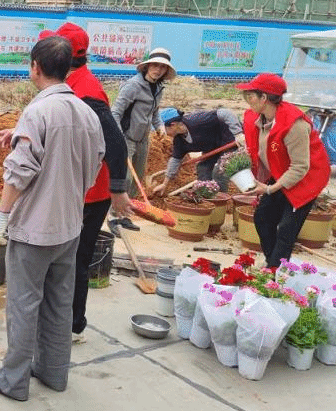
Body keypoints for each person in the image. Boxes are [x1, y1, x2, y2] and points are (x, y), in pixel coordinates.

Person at [0, 35, 104, 402]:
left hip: (34, 230)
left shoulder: (38, 112)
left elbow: (19, 171)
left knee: (23, 304)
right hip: (69, 227)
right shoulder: (85, 112)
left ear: (35, 67)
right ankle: (54, 372)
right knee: (59, 304)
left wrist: (1, 217)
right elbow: (96, 161)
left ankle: (13, 381)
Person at [45, 23, 131, 344]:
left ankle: (73, 326)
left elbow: (116, 143)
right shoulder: (70, 83)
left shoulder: (88, 92)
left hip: (90, 194)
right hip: (78, 188)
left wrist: (118, 189)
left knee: (75, 260)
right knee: (66, 258)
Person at [237, 73, 330, 268]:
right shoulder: (259, 118)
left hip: (306, 178)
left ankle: (274, 271)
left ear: (264, 98)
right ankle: (274, 265)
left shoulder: (294, 125)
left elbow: (300, 167)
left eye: (250, 96)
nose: (247, 101)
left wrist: (270, 189)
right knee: (263, 218)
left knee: (286, 229)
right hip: (281, 172)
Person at [110, 47, 175, 230]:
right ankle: (113, 217)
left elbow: (154, 112)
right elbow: (115, 112)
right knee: (125, 178)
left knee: (137, 178)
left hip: (143, 139)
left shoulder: (158, 88)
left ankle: (124, 216)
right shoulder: (133, 86)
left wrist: (159, 126)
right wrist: (118, 137)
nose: (158, 70)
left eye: (162, 67)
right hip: (126, 137)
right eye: (155, 65)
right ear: (147, 66)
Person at [152, 107, 245, 195]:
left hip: (231, 142)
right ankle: (207, 195)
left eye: (162, 130)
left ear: (172, 125)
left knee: (219, 171)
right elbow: (175, 160)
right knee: (203, 168)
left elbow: (225, 113)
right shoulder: (179, 140)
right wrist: (164, 184)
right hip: (212, 148)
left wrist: (238, 134)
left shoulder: (196, 120)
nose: (163, 134)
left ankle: (220, 199)